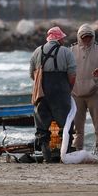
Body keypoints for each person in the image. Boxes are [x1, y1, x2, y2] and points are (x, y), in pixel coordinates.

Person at [29, 25, 77, 162]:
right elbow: (72, 74)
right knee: (66, 125)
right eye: (62, 38)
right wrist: (68, 89)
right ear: (59, 38)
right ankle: (65, 155)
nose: (63, 40)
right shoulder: (66, 52)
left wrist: (40, 85)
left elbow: (32, 73)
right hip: (61, 92)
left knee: (42, 127)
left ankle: (46, 157)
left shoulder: (37, 51)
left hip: (42, 93)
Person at [70, 24, 98, 153]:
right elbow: (65, 70)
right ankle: (77, 149)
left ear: (93, 37)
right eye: (84, 37)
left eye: (89, 37)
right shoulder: (71, 50)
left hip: (95, 93)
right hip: (76, 93)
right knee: (77, 126)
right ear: (79, 37)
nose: (87, 39)